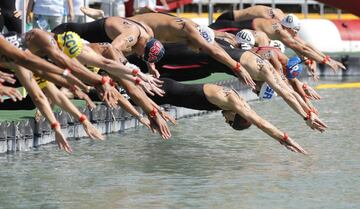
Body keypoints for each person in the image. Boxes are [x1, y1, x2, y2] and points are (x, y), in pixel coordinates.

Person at [149, 78, 308, 154]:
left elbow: (254, 116)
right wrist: (285, 139)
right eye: (230, 123)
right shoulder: (233, 103)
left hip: (165, 90)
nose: (225, 121)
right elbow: (260, 123)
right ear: (236, 115)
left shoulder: (237, 100)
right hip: (161, 92)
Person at [210, 12, 346, 73]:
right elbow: (301, 48)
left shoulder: (283, 25)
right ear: (288, 27)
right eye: (295, 30)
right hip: (229, 28)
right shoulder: (280, 31)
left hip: (243, 33)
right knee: (205, 36)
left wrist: (320, 58)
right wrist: (327, 61)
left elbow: (304, 45)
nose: (296, 33)